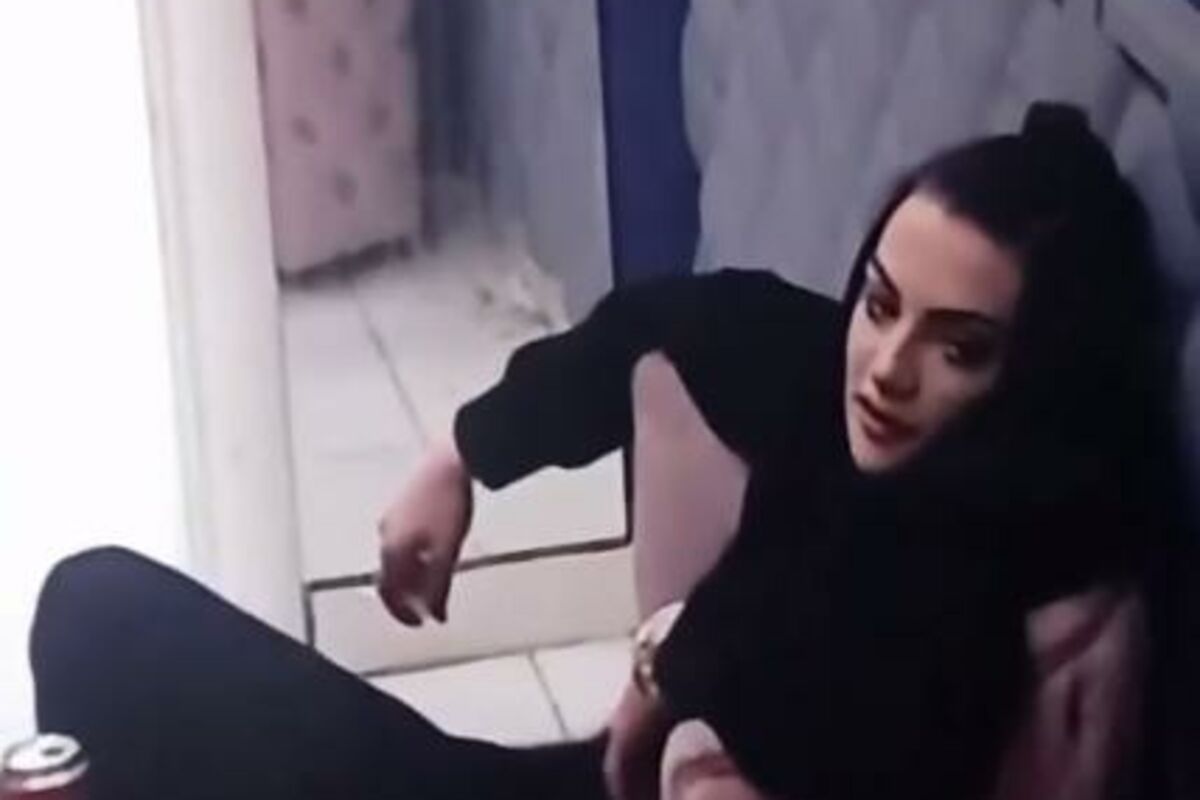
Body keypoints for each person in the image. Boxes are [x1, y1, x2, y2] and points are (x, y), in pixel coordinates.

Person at [29, 103, 1185, 799]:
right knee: (98, 609)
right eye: (880, 302)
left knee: (109, 631)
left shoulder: (1014, 604)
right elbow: (674, 318)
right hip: (556, 783)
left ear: (1040, 372)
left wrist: (671, 675)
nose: (886, 366)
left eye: (959, 346)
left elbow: (819, 693)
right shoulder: (845, 394)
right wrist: (464, 455)